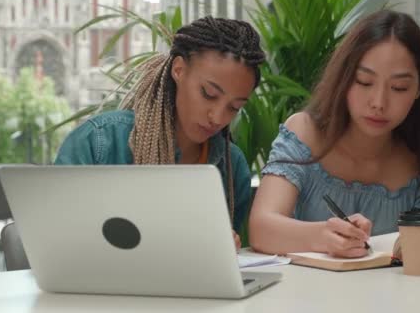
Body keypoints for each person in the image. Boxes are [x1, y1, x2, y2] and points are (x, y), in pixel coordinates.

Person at [248, 10, 420, 265]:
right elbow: (262, 228)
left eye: (399, 88)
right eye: (364, 82)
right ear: (345, 77)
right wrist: (323, 236)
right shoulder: (304, 133)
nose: (378, 103)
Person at [55, 16, 266, 251]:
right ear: (179, 70)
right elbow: (56, 239)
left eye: (234, 107)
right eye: (208, 94)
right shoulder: (99, 142)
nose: (218, 117)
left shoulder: (232, 167)